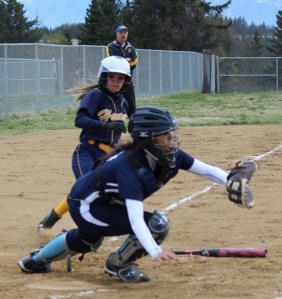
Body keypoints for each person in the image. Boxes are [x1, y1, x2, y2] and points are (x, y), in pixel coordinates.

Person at [19, 105, 238, 283]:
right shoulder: (130, 168)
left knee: (88, 239)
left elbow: (206, 170)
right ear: (148, 140)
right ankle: (117, 265)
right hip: (85, 206)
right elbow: (135, 219)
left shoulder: (169, 155)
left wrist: (232, 181)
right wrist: (155, 251)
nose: (172, 140)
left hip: (102, 200)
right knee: (156, 224)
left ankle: (35, 261)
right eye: (166, 136)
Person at [36, 55, 131, 231]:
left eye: (120, 78)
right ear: (103, 77)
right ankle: (79, 230)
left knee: (92, 191)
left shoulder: (124, 102)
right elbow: (80, 120)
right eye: (112, 77)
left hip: (107, 158)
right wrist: (106, 125)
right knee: (87, 190)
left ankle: (54, 216)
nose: (116, 82)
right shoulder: (95, 95)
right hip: (88, 152)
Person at [106, 25, 138, 118]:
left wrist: (119, 60)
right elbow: (111, 62)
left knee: (132, 109)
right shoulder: (111, 46)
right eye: (121, 32)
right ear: (117, 34)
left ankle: (133, 127)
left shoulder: (131, 48)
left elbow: (134, 63)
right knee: (112, 107)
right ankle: (111, 126)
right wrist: (126, 60)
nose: (123, 34)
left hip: (127, 81)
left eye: (125, 32)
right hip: (114, 83)